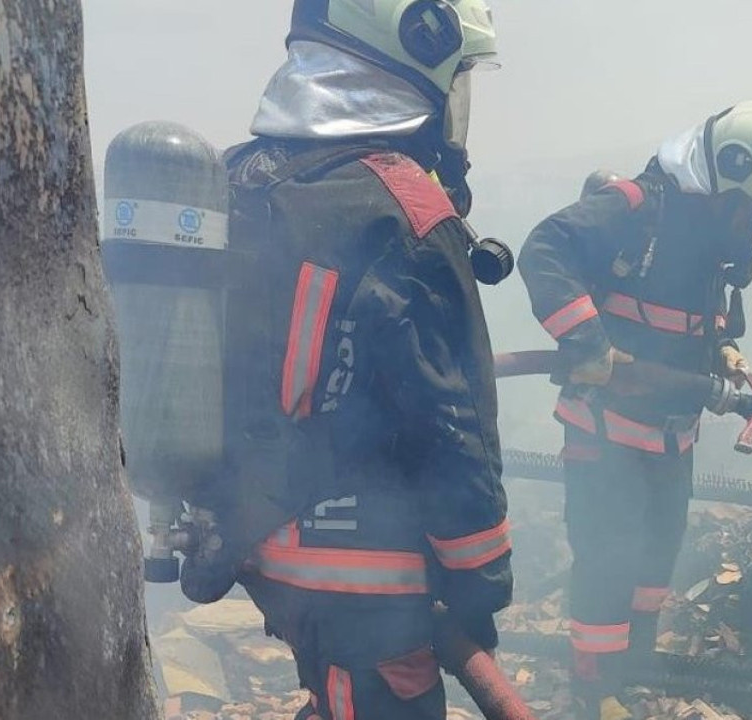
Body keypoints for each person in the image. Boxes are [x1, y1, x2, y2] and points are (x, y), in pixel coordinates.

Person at [180, 2, 513, 718]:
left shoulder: (233, 178)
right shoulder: (408, 215)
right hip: (366, 578)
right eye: (457, 82)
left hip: (252, 541)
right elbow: (451, 425)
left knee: (334, 697)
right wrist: (481, 580)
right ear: (414, 57)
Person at [518, 101, 752, 720]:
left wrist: (724, 351)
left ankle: (632, 669)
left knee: (658, 552)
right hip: (605, 428)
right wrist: (587, 342)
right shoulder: (636, 208)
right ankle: (593, 687)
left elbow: (690, 319)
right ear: (726, 182)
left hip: (672, 434)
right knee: (609, 552)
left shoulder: (707, 242)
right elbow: (545, 248)